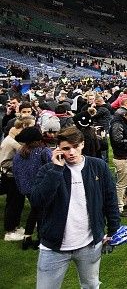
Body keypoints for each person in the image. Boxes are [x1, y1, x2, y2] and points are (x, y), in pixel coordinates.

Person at [31, 126, 120, 289]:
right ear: (58, 149)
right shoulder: (48, 170)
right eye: (66, 148)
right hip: (53, 247)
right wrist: (57, 170)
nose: (71, 152)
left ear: (82, 144)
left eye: (75, 146)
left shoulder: (98, 166)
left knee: (91, 285)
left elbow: (110, 200)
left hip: (89, 244)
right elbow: (37, 201)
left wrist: (113, 231)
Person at [12, 127, 52, 250]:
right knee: (42, 212)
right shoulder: (43, 151)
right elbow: (51, 167)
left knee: (35, 211)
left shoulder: (20, 153)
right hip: (41, 187)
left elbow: (16, 172)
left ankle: (27, 237)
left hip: (26, 188)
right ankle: (40, 239)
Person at [1, 116, 35, 242]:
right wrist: (21, 164)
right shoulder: (11, 142)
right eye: (32, 125)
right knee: (13, 204)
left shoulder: (15, 139)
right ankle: (9, 231)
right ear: (24, 126)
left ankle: (14, 227)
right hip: (10, 177)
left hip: (16, 176)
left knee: (18, 202)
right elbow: (4, 162)